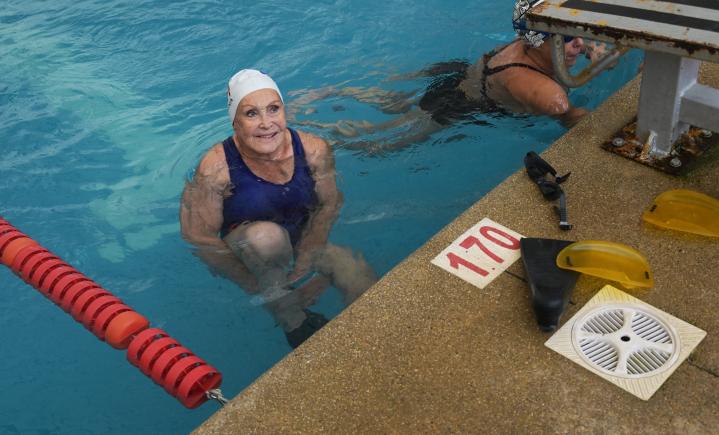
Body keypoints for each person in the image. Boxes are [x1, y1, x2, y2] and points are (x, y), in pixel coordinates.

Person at [180, 69, 377, 348]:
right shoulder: (216, 168)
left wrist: (307, 258)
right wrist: (269, 292)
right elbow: (198, 237)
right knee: (267, 238)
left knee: (358, 275)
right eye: (251, 114)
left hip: (300, 237)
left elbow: (329, 203)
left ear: (284, 111)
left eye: (273, 109)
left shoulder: (314, 150)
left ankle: (379, 346)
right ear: (235, 123)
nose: (266, 123)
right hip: (250, 247)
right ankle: (295, 322)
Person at [289, 0, 610, 153]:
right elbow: (570, 116)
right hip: (460, 105)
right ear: (542, 43)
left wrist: (582, 50)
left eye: (577, 34)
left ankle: (336, 91)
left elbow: (553, 42)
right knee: (382, 142)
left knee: (396, 103)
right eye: (567, 39)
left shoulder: (528, 42)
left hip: (463, 74)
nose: (579, 43)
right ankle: (320, 137)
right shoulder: (547, 94)